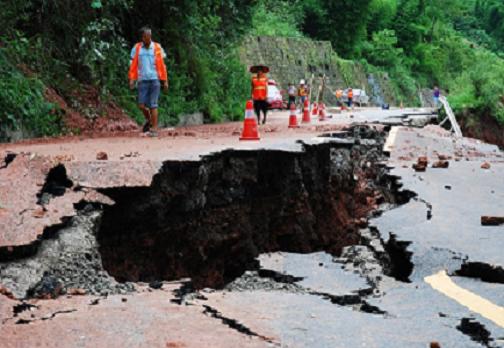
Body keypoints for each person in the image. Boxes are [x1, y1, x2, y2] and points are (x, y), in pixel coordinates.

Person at [129, 26, 168, 137]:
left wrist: (164, 80)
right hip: (142, 80)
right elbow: (133, 65)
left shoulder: (157, 47)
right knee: (141, 105)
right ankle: (149, 120)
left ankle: (154, 129)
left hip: (155, 79)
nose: (149, 38)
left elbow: (163, 65)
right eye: (146, 36)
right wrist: (132, 79)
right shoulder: (136, 48)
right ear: (142, 37)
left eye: (150, 36)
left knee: (153, 105)